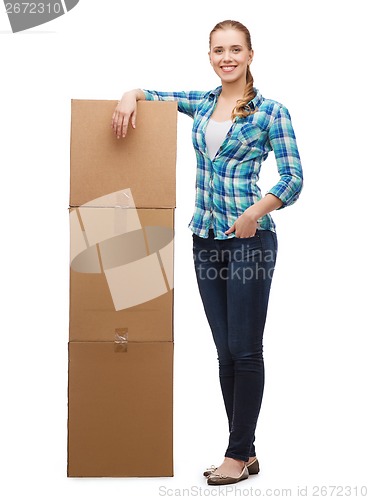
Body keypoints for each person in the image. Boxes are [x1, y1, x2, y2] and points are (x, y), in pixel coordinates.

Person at [111, 19, 303, 485]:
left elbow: (293, 178)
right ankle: (246, 453)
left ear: (250, 55)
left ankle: (236, 455)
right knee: (223, 351)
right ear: (210, 56)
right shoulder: (201, 103)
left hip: (249, 241)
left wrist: (255, 212)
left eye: (235, 49)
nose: (227, 57)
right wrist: (128, 94)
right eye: (218, 50)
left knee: (245, 348)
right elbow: (152, 96)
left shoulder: (271, 112)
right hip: (205, 239)